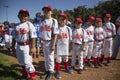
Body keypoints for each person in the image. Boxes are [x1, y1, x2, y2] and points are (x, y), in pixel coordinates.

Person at [12, 9, 37, 80]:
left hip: (26, 46)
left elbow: (33, 37)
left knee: (27, 62)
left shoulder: (29, 24)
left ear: (28, 17)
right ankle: (25, 75)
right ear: (18, 16)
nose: (23, 17)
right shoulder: (16, 25)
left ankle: (33, 76)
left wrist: (33, 47)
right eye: (21, 15)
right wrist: (13, 46)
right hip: (18, 45)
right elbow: (14, 37)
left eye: (25, 15)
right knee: (21, 61)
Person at [39, 5, 59, 80]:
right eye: (45, 10)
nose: (46, 12)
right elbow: (41, 32)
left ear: (51, 12)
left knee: (50, 58)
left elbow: (55, 33)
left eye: (48, 10)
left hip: (50, 41)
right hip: (44, 42)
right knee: (46, 58)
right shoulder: (42, 21)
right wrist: (41, 40)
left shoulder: (54, 20)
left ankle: (50, 72)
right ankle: (46, 71)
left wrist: (53, 44)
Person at [55, 13, 72, 79]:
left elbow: (70, 39)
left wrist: (70, 46)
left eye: (64, 19)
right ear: (58, 20)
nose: (62, 20)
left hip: (66, 46)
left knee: (66, 58)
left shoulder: (68, 29)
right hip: (59, 47)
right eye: (60, 19)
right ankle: (57, 71)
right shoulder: (56, 28)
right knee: (58, 59)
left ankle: (66, 68)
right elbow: (55, 38)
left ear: (66, 20)